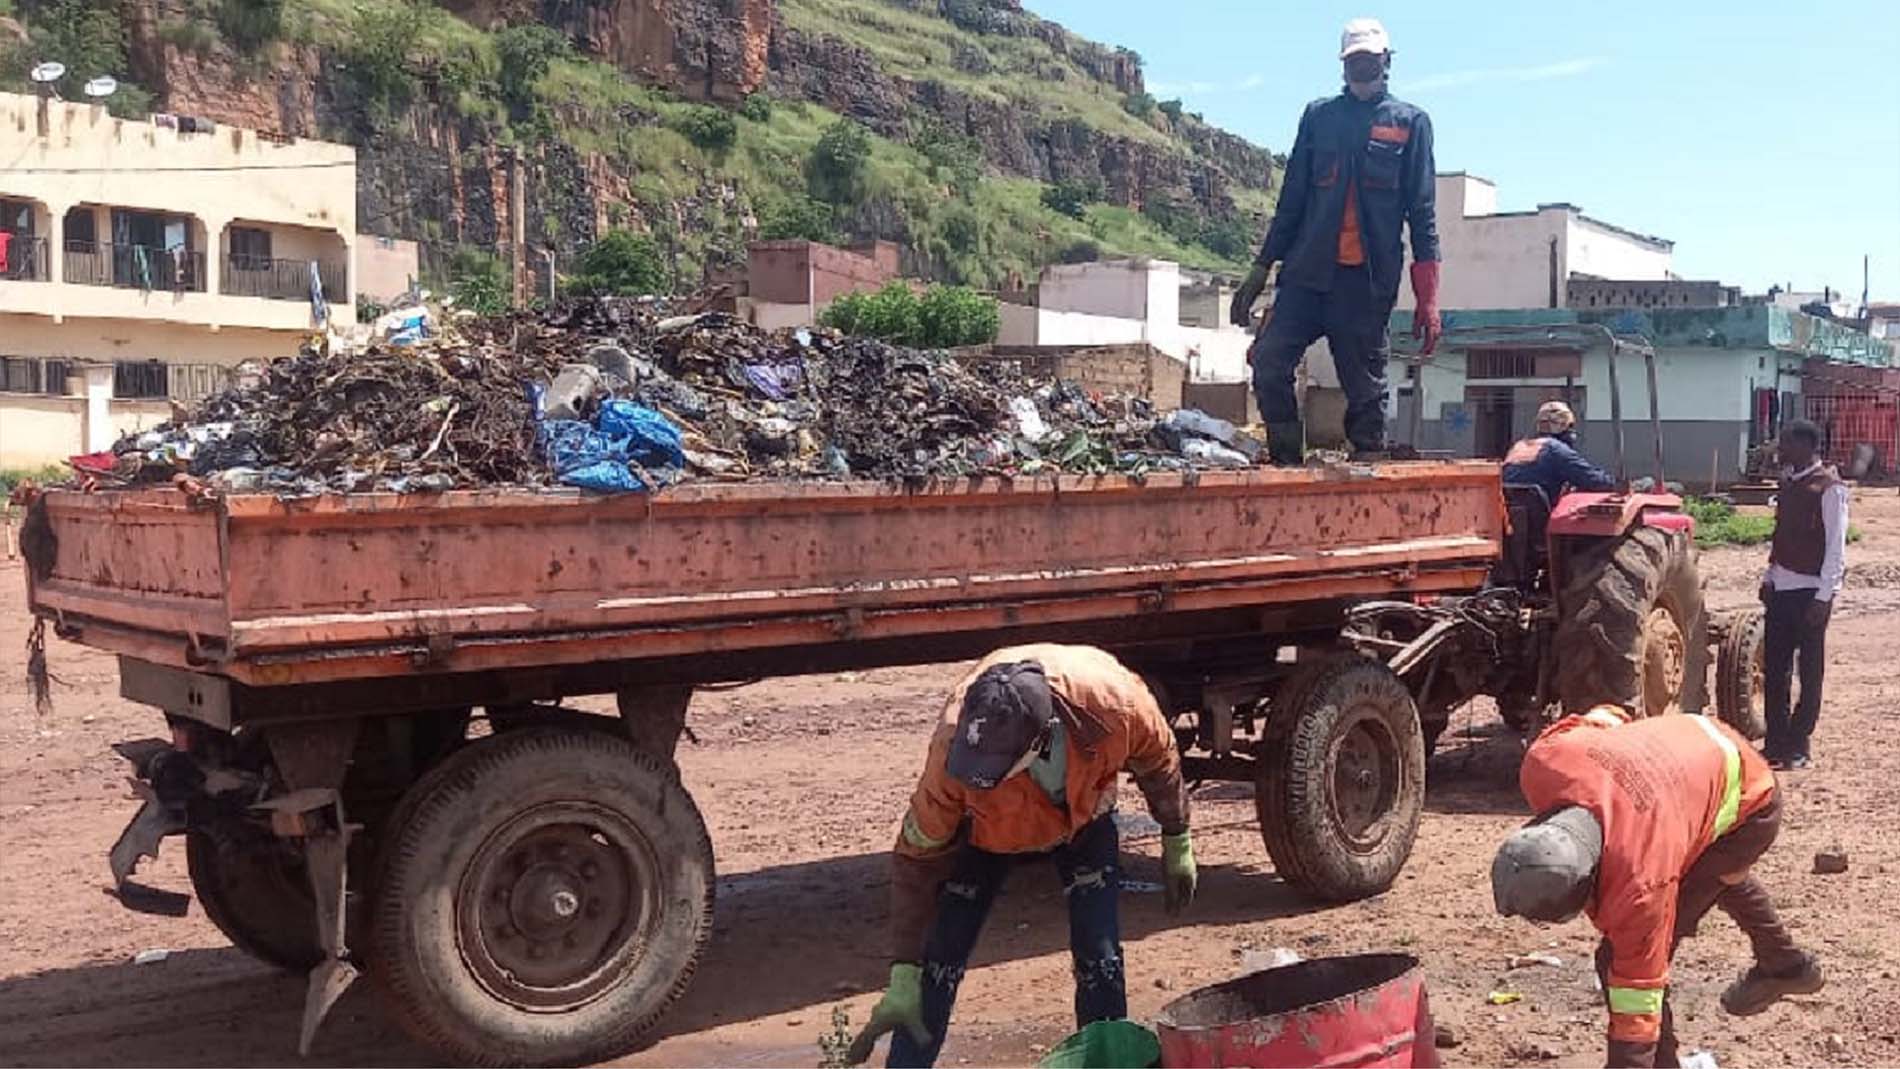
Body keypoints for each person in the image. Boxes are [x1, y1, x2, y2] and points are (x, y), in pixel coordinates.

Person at [847, 645, 1196, 1068]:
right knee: (938, 963)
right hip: (984, 835)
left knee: (1099, 953)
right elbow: (917, 854)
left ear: (1041, 738)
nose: (983, 771)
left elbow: (1158, 761)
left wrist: (1176, 836)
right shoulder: (953, 746)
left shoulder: (1115, 705)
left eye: (996, 766)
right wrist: (904, 967)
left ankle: (1107, 1060)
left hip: (1083, 817)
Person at [1493, 705, 1823, 1069]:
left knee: (1613, 958)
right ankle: (1786, 963)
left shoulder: (1643, 883)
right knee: (1711, 876)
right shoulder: (1545, 762)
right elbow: (1607, 716)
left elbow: (1638, 995)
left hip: (1750, 801)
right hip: (1694, 733)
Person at [1230, 17, 1442, 465]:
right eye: (1353, 61)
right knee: (1268, 361)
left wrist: (1429, 299)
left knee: (1365, 389)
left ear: (1386, 60)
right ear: (1343, 65)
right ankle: (1288, 463)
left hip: (1364, 285)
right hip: (1307, 275)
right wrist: (1260, 267)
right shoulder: (1319, 117)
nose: (1361, 68)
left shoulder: (1411, 123)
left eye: (1368, 59)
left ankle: (1366, 465)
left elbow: (1422, 214)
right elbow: (1292, 200)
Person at [1759, 419, 1846, 770]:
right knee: (1774, 669)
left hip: (1810, 592)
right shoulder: (1789, 484)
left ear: (1809, 447)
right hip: (1780, 588)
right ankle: (1775, 742)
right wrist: (1769, 576)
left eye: (1788, 444)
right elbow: (1781, 536)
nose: (1782, 450)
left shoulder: (1829, 488)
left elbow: (1835, 546)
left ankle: (1799, 742)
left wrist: (1824, 596)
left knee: (1809, 672)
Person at [1501, 400, 1616, 506]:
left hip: (1506, 514)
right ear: (1563, 426)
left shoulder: (1518, 447)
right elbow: (1591, 480)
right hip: (1540, 513)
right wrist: (1614, 484)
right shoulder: (1556, 450)